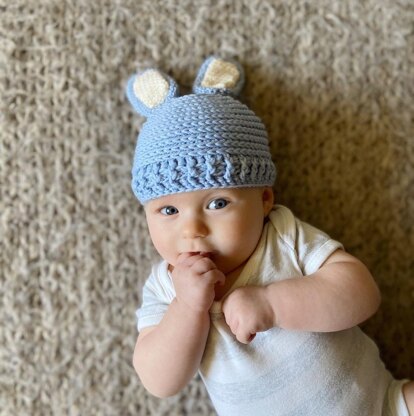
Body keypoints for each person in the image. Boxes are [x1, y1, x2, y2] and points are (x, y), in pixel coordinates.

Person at [126, 55, 414, 415]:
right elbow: (159, 380)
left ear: (263, 200)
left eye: (217, 203)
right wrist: (187, 309)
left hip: (386, 405)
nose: (192, 230)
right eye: (168, 211)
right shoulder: (166, 290)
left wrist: (273, 304)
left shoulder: (282, 236)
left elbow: (361, 292)